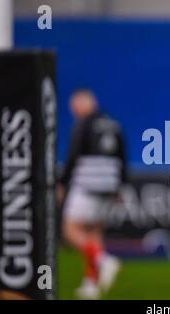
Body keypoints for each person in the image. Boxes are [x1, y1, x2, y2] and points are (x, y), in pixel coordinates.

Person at [57, 89, 128, 299]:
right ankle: (91, 284)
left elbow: (72, 154)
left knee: (70, 230)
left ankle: (103, 260)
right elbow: (122, 157)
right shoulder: (113, 123)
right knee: (95, 234)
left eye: (75, 107)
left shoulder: (83, 123)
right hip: (109, 184)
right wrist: (120, 186)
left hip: (88, 182)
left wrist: (62, 182)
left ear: (82, 104)